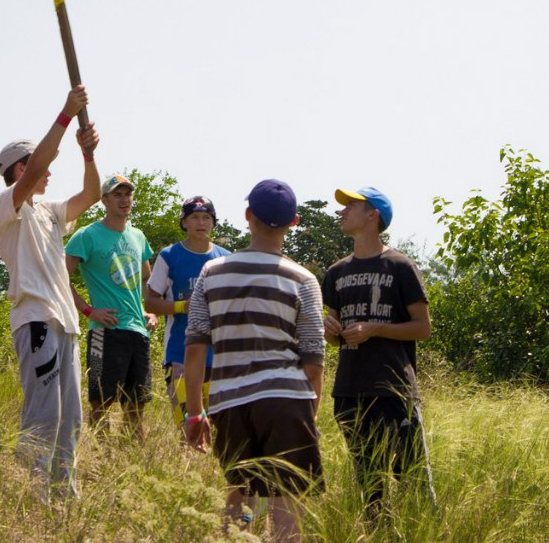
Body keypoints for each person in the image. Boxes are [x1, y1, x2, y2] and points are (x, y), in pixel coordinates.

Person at [184, 179, 325, 543]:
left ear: (248, 216)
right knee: (285, 506)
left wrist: (195, 413)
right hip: (287, 402)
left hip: (230, 404)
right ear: (293, 222)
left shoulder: (212, 273)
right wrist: (311, 415)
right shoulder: (303, 280)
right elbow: (313, 358)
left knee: (239, 497)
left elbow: (195, 347)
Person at [0, 86, 100, 501]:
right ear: (19, 169)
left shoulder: (49, 211)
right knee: (45, 413)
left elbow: (91, 195)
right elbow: (40, 165)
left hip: (65, 322)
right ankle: (31, 494)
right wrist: (66, 115)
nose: (49, 171)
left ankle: (62, 497)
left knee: (71, 416)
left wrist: (88, 154)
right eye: (36, 164)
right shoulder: (5, 205)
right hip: (35, 317)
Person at [322, 186, 436, 517]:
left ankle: (425, 531)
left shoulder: (400, 266)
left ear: (373, 215)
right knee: (370, 484)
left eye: (351, 206)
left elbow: (423, 328)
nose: (342, 211)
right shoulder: (336, 272)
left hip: (393, 390)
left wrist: (374, 328)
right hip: (349, 391)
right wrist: (330, 331)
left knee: (412, 478)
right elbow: (335, 338)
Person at [65, 173, 156, 439]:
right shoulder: (87, 235)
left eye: (128, 194)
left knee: (137, 404)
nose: (124, 200)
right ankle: (99, 456)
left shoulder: (138, 236)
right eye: (117, 194)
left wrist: (149, 311)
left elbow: (147, 279)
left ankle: (132, 457)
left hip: (138, 331)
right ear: (104, 200)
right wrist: (88, 310)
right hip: (104, 331)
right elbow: (59, 278)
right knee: (101, 401)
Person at [144, 195, 229, 427]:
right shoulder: (169, 255)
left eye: (206, 217)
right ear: (184, 222)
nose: (201, 223)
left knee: (217, 426)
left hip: (218, 355)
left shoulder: (225, 258)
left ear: (213, 222)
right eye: (194, 217)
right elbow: (150, 303)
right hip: (179, 353)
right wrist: (183, 306)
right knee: (188, 425)